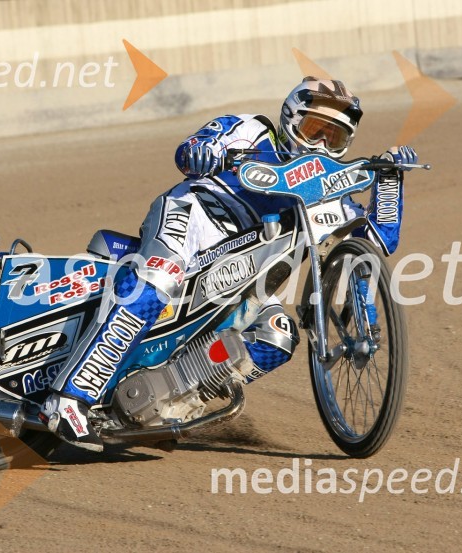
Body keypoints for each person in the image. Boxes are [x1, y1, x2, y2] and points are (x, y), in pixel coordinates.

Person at [41, 77, 418, 452]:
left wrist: (390, 181)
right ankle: (69, 397)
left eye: (333, 138)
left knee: (277, 335)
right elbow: (189, 151)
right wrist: (205, 154)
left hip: (241, 282)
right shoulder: (250, 129)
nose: (320, 143)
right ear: (291, 118)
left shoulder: (326, 188)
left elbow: (375, 242)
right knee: (159, 276)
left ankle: (160, 407)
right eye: (313, 129)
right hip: (195, 219)